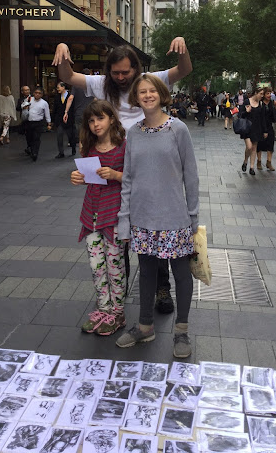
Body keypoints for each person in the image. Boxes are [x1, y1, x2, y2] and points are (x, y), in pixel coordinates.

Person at [53, 37, 192, 315]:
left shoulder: (148, 81)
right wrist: (63, 52)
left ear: (136, 69)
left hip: (146, 162)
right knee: (118, 232)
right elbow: (67, 76)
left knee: (153, 229)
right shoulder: (101, 83)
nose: (120, 77)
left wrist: (183, 49)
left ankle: (162, 288)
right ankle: (120, 290)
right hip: (115, 163)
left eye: (125, 72)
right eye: (115, 72)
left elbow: (184, 69)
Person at [115, 73, 199, 358]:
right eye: (142, 92)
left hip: (174, 217)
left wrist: (193, 217)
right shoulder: (133, 133)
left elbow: (191, 176)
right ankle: (145, 326)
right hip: (142, 217)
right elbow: (128, 178)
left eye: (152, 90)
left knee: (181, 274)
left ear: (161, 94)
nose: (147, 95)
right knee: (147, 273)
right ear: (136, 98)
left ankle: (181, 330)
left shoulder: (178, 129)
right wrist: (124, 220)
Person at [71, 100, 126, 336]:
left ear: (111, 119)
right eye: (91, 120)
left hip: (114, 214)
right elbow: (88, 178)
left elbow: (135, 177)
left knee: (115, 266)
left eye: (100, 118)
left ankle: (118, 313)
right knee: (96, 266)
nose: (96, 124)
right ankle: (103, 309)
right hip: (91, 214)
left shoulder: (124, 147)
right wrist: (77, 177)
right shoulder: (89, 147)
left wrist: (115, 174)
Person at [239, 86, 268, 176]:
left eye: (263, 94)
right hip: (247, 128)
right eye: (261, 94)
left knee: (254, 147)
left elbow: (263, 118)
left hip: (257, 128)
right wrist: (246, 111)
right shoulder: (247, 101)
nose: (262, 96)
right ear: (255, 93)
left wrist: (265, 130)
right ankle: (245, 161)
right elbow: (240, 115)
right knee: (249, 147)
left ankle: (252, 167)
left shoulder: (261, 104)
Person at [25, 87, 52, 161]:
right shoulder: (29, 99)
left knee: (36, 138)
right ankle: (31, 149)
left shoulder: (44, 103)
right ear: (33, 93)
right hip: (29, 122)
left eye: (39, 93)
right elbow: (22, 106)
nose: (37, 94)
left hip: (38, 122)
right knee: (29, 137)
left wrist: (49, 123)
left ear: (42, 95)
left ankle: (35, 153)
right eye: (36, 93)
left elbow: (47, 113)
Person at [257, 88, 276, 171]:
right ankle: (259, 161)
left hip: (269, 125)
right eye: (267, 93)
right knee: (260, 144)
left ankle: (269, 162)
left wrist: (275, 112)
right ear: (264, 95)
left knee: (270, 144)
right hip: (261, 126)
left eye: (270, 93)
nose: (269, 95)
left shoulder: (272, 103)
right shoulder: (260, 103)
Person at [52, 81, 74, 158]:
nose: (57, 89)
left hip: (69, 119)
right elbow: (54, 109)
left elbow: (73, 107)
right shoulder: (57, 97)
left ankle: (73, 148)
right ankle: (61, 152)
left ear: (63, 87)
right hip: (59, 120)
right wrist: (53, 120)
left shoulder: (71, 96)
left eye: (58, 87)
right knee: (59, 136)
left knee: (70, 136)